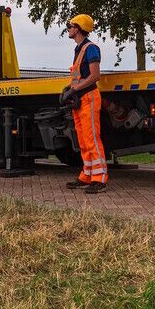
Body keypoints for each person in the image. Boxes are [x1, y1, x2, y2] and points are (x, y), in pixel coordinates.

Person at [65, 14, 108, 194]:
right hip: (80, 100)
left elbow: (95, 76)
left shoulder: (91, 48)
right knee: (83, 140)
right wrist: (69, 89)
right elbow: (80, 76)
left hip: (89, 98)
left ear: (78, 28)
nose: (68, 28)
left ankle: (100, 180)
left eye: (70, 26)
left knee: (92, 140)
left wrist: (74, 90)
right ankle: (87, 176)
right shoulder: (79, 49)